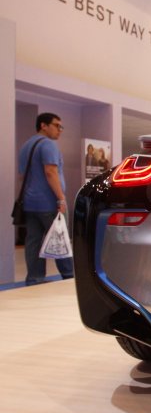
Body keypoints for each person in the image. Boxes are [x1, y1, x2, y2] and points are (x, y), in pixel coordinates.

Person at [17, 112, 74, 285]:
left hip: (30, 203)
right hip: (49, 203)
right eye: (56, 125)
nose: (60, 130)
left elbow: (22, 175)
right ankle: (69, 277)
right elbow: (50, 172)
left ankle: (34, 278)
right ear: (43, 125)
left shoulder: (26, 146)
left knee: (33, 241)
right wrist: (61, 198)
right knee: (60, 240)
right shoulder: (48, 144)